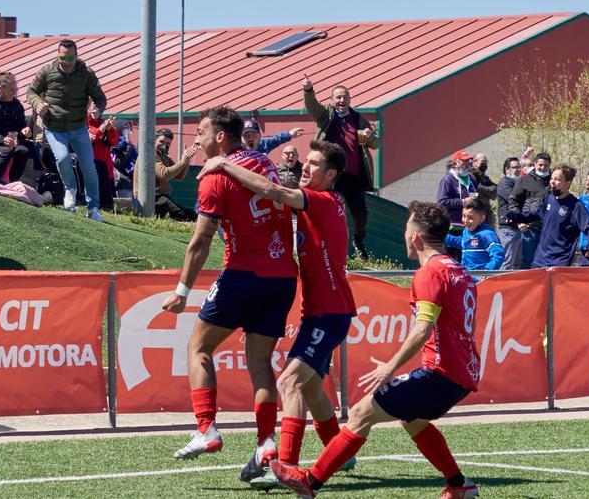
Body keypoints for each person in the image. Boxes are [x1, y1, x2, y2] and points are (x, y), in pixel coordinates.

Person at [271, 201, 482, 499]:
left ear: (415, 237)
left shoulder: (430, 273)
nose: (404, 233)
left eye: (406, 227)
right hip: (463, 372)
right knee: (414, 421)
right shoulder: (457, 269)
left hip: (441, 373)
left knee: (359, 414)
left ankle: (311, 481)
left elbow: (422, 329)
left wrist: (390, 367)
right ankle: (459, 484)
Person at [198, 139, 358, 488]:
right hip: (322, 311)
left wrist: (223, 165)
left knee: (290, 382)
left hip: (329, 313)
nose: (305, 167)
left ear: (330, 174)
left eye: (314, 164)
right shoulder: (323, 200)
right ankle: (340, 450)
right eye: (306, 160)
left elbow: (271, 190)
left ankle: (284, 467)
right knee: (313, 390)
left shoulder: (323, 198)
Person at [159, 107, 298, 475]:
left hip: (243, 274)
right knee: (259, 363)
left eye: (202, 132)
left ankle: (206, 429)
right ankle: (267, 442)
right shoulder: (264, 163)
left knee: (198, 347)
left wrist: (182, 290)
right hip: (282, 275)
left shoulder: (214, 175)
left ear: (220, 136)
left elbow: (201, 238)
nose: (197, 139)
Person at [26, 39, 107, 222]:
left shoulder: (86, 73)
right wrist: (38, 103)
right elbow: (31, 92)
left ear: (76, 56)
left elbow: (100, 99)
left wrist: (97, 110)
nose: (67, 62)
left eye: (71, 57)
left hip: (78, 127)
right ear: (58, 55)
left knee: (89, 167)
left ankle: (93, 207)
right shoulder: (47, 71)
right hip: (54, 128)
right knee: (62, 159)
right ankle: (70, 193)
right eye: (63, 57)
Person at [303, 75, 380, 260]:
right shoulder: (325, 116)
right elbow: (312, 107)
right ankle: (321, 244)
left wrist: (370, 136)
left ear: (350, 100)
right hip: (330, 173)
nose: (342, 100)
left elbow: (376, 144)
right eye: (338, 97)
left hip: (353, 175)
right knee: (328, 209)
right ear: (332, 100)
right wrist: (308, 91)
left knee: (360, 213)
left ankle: (358, 241)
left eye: (345, 97)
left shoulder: (357, 118)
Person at [505, 164, 589, 268]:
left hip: (559, 262)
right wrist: (515, 216)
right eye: (551, 178)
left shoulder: (576, 206)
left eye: (557, 179)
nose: (552, 182)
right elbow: (535, 215)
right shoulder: (550, 199)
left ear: (568, 183)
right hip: (540, 260)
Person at [507, 152, 552, 269]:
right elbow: (513, 201)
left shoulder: (554, 181)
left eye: (546, 165)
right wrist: (519, 221)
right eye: (540, 165)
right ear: (535, 165)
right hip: (529, 228)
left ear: (549, 166)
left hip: (549, 228)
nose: (543, 168)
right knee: (527, 262)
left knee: (547, 263)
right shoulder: (524, 180)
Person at [445, 197, 506, 271]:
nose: (465, 220)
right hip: (468, 275)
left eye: (470, 218)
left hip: (480, 278)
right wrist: (442, 237)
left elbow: (499, 254)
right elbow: (464, 243)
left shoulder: (487, 234)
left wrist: (487, 270)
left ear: (482, 218)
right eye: (464, 216)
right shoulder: (466, 231)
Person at [155, 129, 197, 221]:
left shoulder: (164, 156)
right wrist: (183, 161)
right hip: (154, 197)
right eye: (161, 141)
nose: (164, 145)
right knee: (185, 215)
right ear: (155, 140)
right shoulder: (152, 154)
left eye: (168, 143)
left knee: (190, 214)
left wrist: (186, 161)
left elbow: (179, 176)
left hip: (162, 196)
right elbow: (164, 174)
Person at [87, 106, 118, 211]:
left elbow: (114, 142)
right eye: (91, 104)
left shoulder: (104, 123)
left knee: (109, 205)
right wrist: (101, 129)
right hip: (92, 170)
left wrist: (110, 129)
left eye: (96, 105)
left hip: (107, 171)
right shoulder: (82, 123)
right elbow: (89, 137)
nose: (94, 107)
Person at [495, 156, 525, 270]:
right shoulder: (505, 183)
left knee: (517, 262)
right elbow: (514, 200)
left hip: (518, 227)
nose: (518, 170)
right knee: (508, 261)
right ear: (507, 169)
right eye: (515, 167)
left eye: (519, 167)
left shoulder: (518, 183)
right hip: (509, 227)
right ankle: (499, 285)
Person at [437, 150, 477, 229]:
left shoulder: (471, 179)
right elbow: (441, 202)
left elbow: (474, 194)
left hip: (468, 225)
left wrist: (475, 199)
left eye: (468, 161)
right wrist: (463, 202)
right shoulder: (448, 180)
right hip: (453, 225)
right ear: (455, 163)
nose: (467, 164)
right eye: (464, 161)